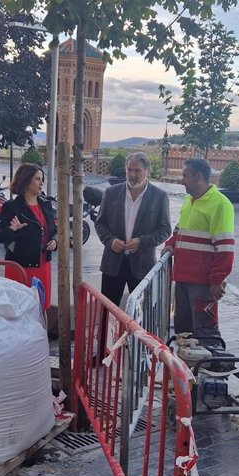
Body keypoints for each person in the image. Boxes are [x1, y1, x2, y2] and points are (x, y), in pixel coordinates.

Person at [94, 152, 171, 361]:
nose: (133, 174)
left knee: (142, 313)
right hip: (113, 263)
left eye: (137, 170)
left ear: (147, 171)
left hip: (142, 265)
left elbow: (165, 230)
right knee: (107, 310)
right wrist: (110, 241)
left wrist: (143, 241)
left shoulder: (159, 196)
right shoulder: (111, 193)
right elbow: (100, 224)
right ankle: (102, 352)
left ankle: (140, 355)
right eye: (130, 170)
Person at [164, 158, 235, 338]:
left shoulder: (221, 204)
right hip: (182, 279)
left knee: (205, 332)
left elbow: (225, 248)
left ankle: (209, 365)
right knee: (183, 331)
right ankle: (185, 365)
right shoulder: (190, 200)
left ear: (199, 176)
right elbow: (180, 231)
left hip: (203, 284)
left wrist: (216, 280)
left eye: (185, 176)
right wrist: (170, 245)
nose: (182, 180)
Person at [0, 163, 57, 309]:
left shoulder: (46, 204)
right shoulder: (12, 207)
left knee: (41, 307)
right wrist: (12, 229)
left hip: (43, 265)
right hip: (21, 267)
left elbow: (55, 230)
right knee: (19, 309)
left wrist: (55, 240)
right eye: (37, 179)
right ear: (26, 180)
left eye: (42, 179)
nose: (42, 183)